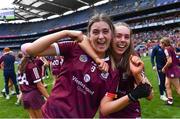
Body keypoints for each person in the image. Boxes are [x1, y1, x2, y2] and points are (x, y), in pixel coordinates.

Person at [21, 13, 151, 118]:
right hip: (49, 115)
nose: (101, 36)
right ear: (89, 34)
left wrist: (137, 79)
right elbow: (31, 50)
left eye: (105, 31)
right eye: (95, 32)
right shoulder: (74, 48)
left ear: (111, 35)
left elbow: (105, 107)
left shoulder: (113, 70)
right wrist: (65, 33)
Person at [79, 22, 153, 118]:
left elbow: (150, 95)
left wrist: (136, 74)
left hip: (130, 114)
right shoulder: (101, 57)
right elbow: (83, 39)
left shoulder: (133, 59)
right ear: (110, 38)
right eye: (118, 36)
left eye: (126, 37)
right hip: (107, 115)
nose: (122, 40)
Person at [161, 37, 180, 105]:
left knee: (178, 89)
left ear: (164, 43)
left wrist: (164, 68)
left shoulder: (166, 49)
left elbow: (169, 61)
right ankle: (170, 101)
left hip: (172, 70)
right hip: (171, 70)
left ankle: (170, 101)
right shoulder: (171, 47)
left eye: (161, 43)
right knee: (167, 85)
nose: (160, 45)